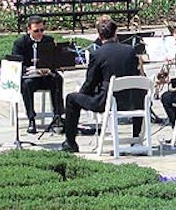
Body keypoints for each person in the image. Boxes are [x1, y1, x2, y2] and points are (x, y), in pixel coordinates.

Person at [60, 18, 143, 153]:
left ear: (99, 35)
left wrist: (81, 94)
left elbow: (90, 82)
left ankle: (70, 143)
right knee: (137, 93)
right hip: (133, 101)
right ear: (115, 33)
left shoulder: (97, 54)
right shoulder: (130, 51)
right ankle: (136, 139)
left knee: (71, 99)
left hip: (107, 102)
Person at [11, 15, 64, 134]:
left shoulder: (48, 40)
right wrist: (32, 69)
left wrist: (50, 67)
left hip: (46, 76)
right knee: (26, 85)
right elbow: (16, 64)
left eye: (42, 30)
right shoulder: (20, 43)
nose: (40, 33)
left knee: (57, 79)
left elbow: (55, 60)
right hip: (31, 76)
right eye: (36, 31)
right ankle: (31, 118)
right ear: (29, 30)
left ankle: (58, 116)